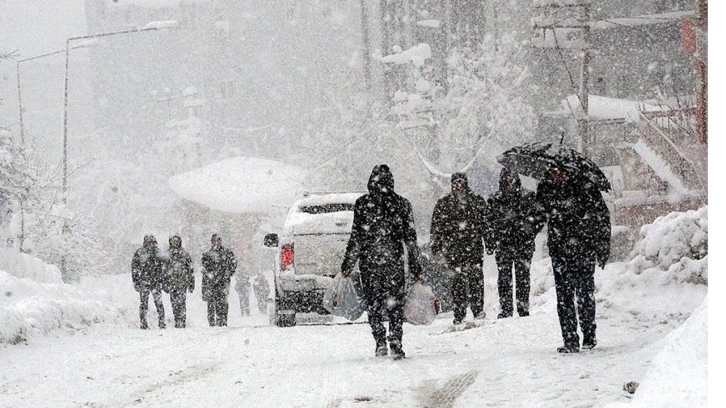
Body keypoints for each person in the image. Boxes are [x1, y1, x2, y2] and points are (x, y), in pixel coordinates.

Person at [341, 164, 422, 360]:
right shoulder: (402, 204)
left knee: (374, 303)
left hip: (370, 263)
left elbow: (356, 238)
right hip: (393, 262)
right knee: (395, 304)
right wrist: (416, 267)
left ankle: (379, 341)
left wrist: (347, 265)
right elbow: (410, 240)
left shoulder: (362, 204)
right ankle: (395, 339)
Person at [536, 167, 611, 353]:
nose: (557, 175)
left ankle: (589, 335)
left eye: (559, 172)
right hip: (560, 251)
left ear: (568, 171)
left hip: (583, 250)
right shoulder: (546, 189)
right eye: (553, 172)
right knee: (564, 298)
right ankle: (569, 339)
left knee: (584, 295)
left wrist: (602, 246)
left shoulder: (584, 186)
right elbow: (537, 216)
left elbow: (601, 216)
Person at [430, 172, 488, 325]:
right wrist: (436, 247)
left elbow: (486, 224)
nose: (459, 186)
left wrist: (489, 242)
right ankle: (459, 313)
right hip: (453, 249)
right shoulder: (444, 204)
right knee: (457, 283)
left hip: (473, 248)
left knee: (476, 280)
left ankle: (478, 309)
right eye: (456, 183)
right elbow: (436, 228)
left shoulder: (477, 201)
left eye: (461, 183)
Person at [485, 168, 544, 319]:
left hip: (523, 245)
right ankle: (506, 309)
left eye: (511, 181)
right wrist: (493, 239)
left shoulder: (528, 197)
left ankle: (523, 308)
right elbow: (488, 222)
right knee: (504, 278)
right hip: (503, 245)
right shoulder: (494, 200)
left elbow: (539, 218)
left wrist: (529, 232)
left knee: (523, 277)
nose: (508, 184)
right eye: (506, 181)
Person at [201, 234, 238, 327]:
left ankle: (222, 321)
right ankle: (212, 323)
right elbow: (204, 268)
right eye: (214, 241)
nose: (217, 243)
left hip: (223, 282)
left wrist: (228, 273)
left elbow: (233, 263)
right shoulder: (207, 255)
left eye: (218, 241)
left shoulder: (227, 253)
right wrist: (210, 276)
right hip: (211, 283)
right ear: (211, 242)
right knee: (211, 303)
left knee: (223, 302)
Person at [131, 234, 166, 329]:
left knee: (158, 303)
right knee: (143, 304)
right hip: (144, 282)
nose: (151, 244)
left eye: (152, 242)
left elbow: (164, 268)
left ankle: (162, 323)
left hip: (156, 282)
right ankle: (143, 323)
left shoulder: (158, 253)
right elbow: (134, 268)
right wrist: (136, 282)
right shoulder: (140, 253)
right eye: (149, 242)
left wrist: (163, 280)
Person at [162, 233, 195, 328]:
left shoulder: (185, 254)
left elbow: (190, 270)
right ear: (170, 242)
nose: (175, 243)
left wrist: (191, 283)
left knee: (182, 302)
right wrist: (164, 283)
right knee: (174, 303)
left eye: (177, 241)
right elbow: (163, 271)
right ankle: (177, 320)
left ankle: (182, 320)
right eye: (173, 241)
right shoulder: (167, 255)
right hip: (171, 283)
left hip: (182, 283)